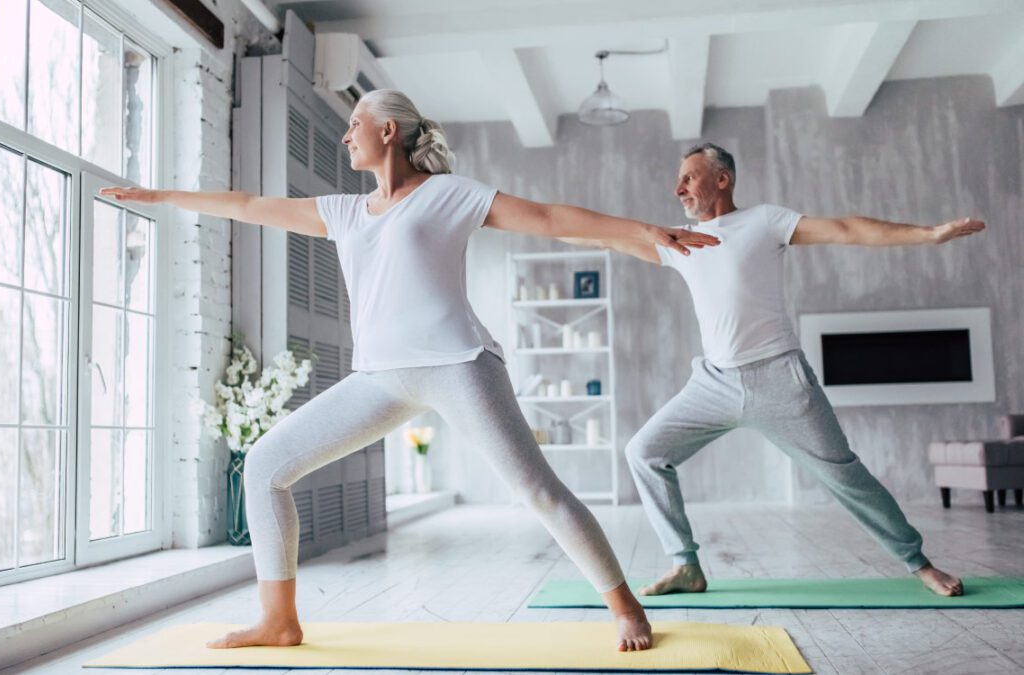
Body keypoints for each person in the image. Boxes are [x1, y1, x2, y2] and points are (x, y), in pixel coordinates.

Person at [101, 89, 720, 652]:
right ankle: (279, 621)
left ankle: (624, 607)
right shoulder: (345, 213)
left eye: (354, 125)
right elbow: (249, 205)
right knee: (264, 467)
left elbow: (551, 219)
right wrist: (158, 197)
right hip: (380, 379)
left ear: (389, 130)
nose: (346, 136)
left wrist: (644, 232)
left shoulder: (448, 194)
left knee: (537, 490)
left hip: (459, 365)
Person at [563, 142, 983, 599]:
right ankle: (685, 566)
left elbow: (844, 229)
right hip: (714, 383)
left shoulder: (763, 221)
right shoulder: (678, 242)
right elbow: (603, 236)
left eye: (689, 176)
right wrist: (538, 226)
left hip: (780, 379)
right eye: (679, 179)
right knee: (643, 452)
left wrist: (929, 234)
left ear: (722, 179)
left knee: (845, 476)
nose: (678, 187)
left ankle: (918, 563)